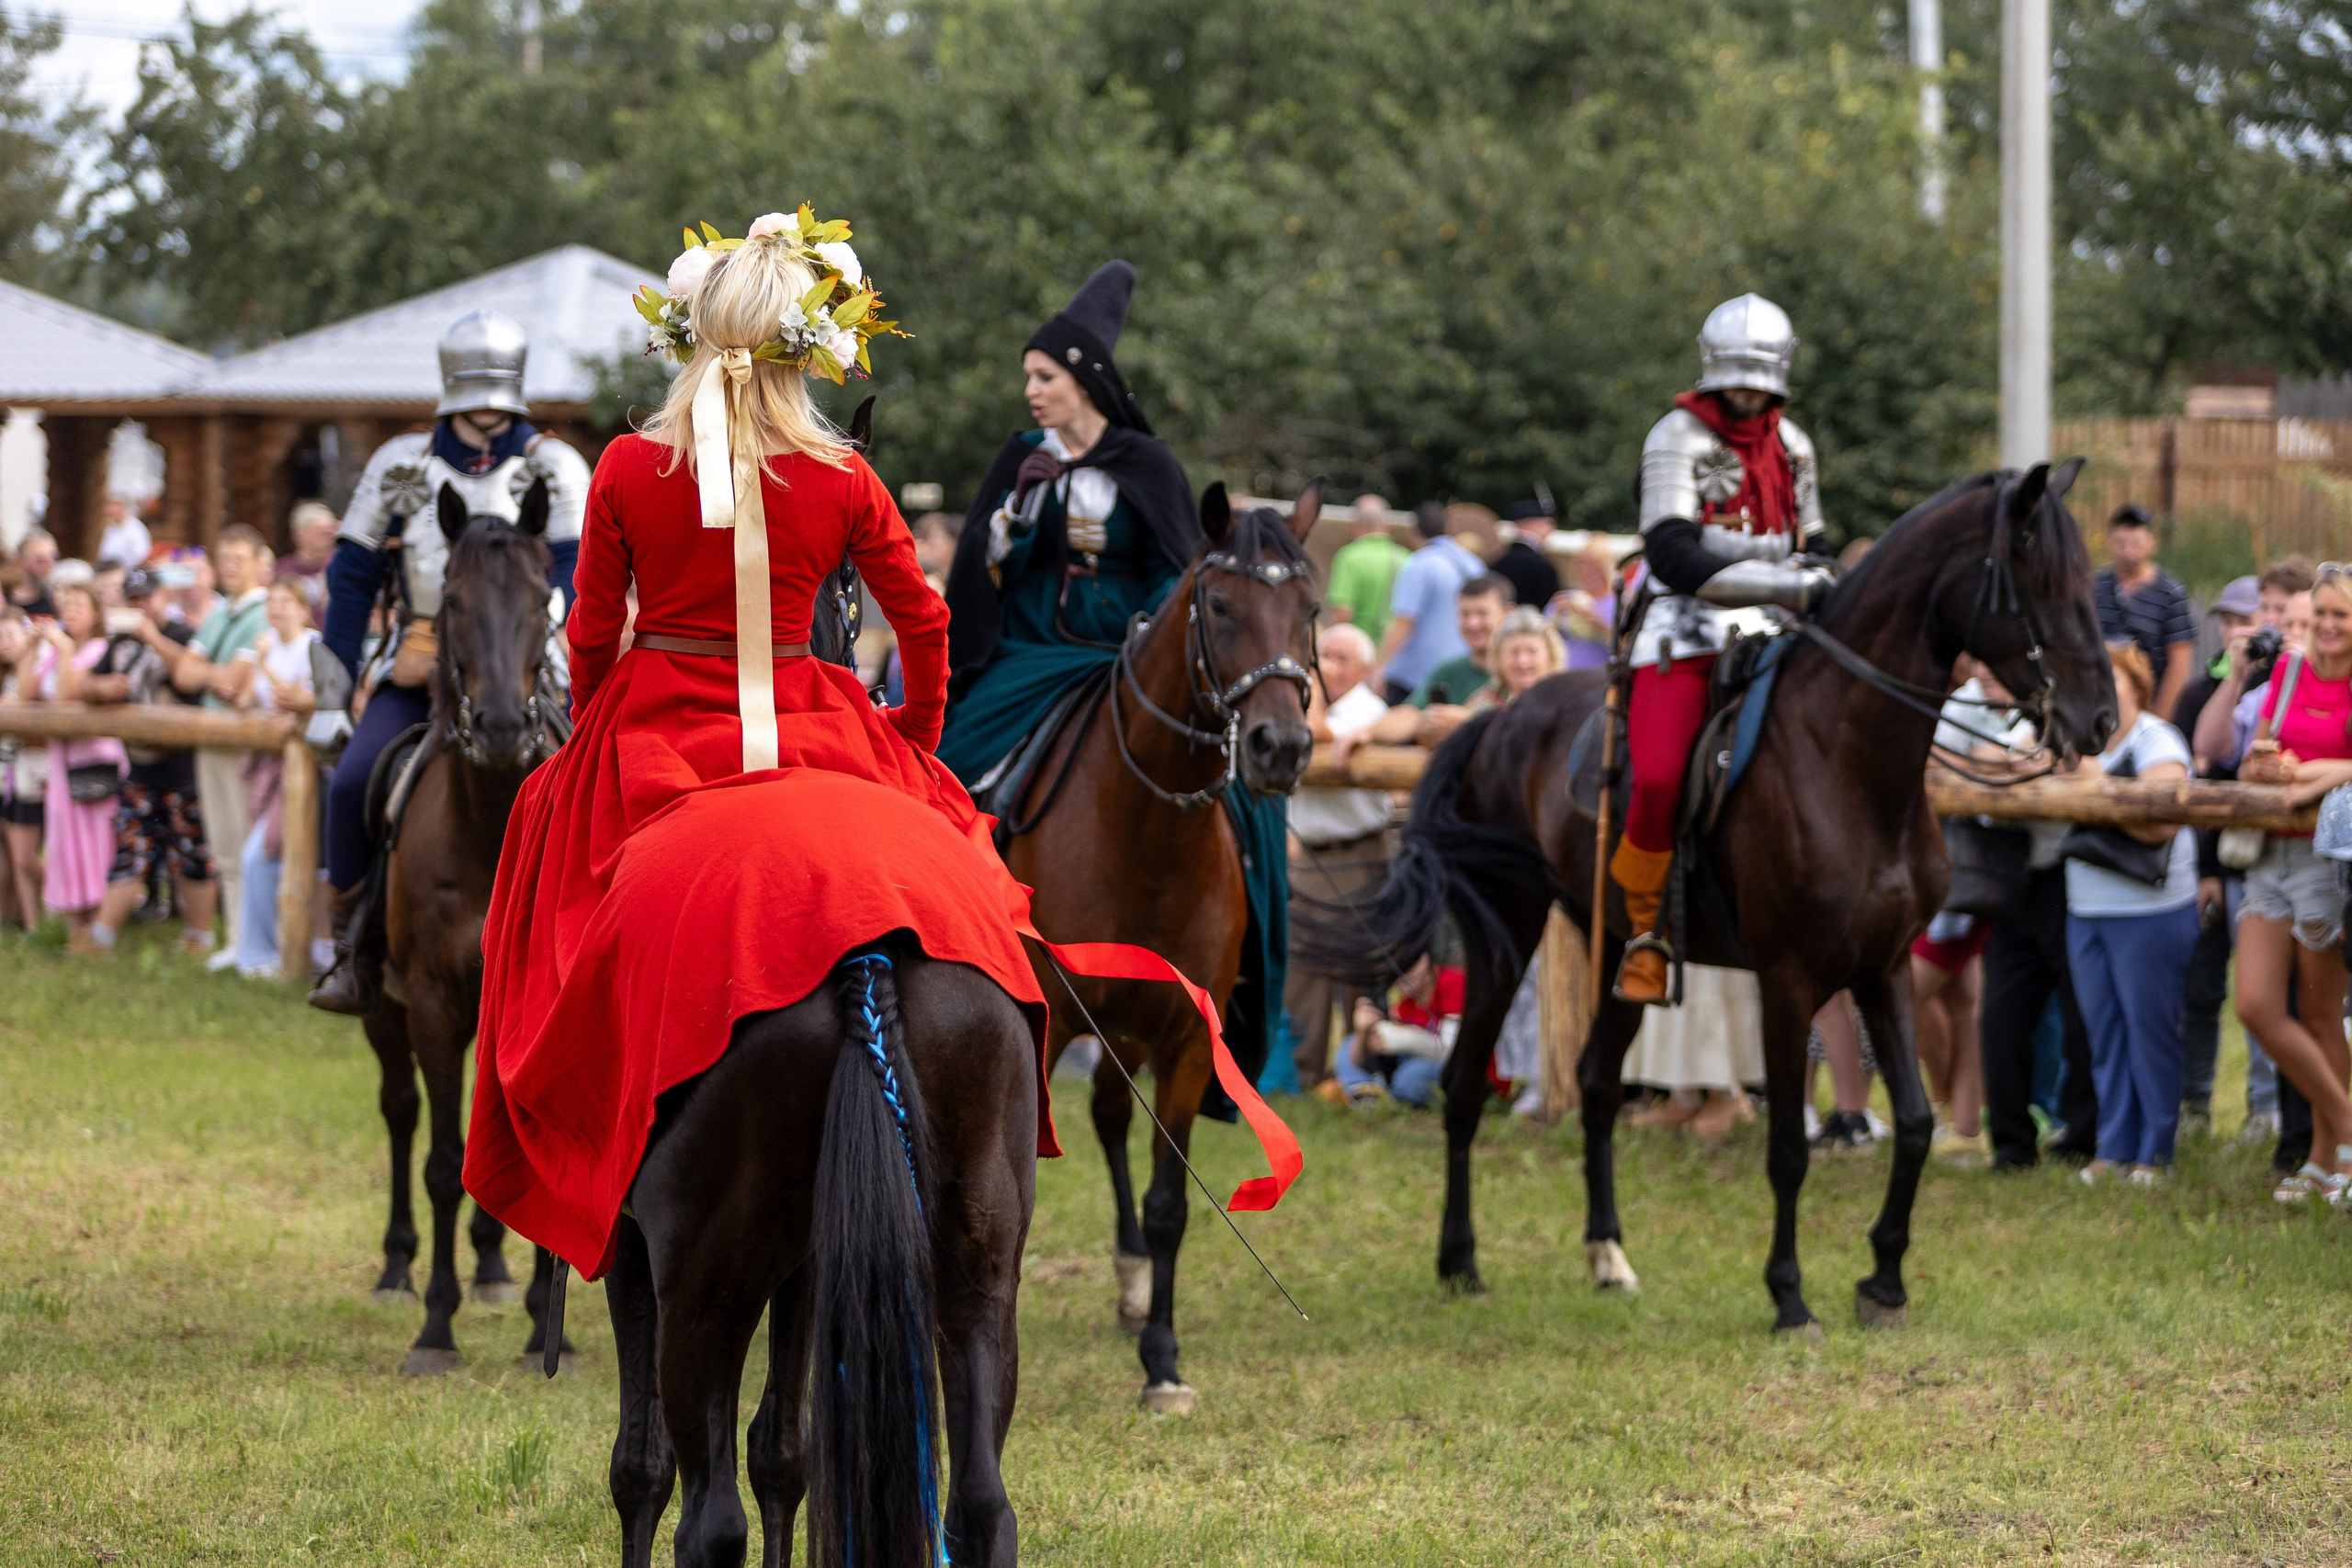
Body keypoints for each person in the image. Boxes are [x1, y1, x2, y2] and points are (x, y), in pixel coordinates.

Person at [467, 209, 1049, 1274]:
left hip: (657, 728)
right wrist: (912, 742)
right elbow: (922, 621)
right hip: (817, 723)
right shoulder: (842, 476)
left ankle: (576, 1112)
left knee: (549, 878)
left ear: (686, 335)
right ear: (800, 345)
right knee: (967, 878)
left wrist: (592, 731)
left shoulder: (628, 469)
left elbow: (593, 633)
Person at [308, 310, 591, 1013]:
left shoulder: (552, 466)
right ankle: (353, 950)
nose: (487, 410)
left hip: (530, 664)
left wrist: (530, 637)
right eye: (477, 398)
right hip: (423, 664)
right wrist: (331, 694)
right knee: (350, 785)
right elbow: (351, 578)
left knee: (602, 791)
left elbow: (577, 570)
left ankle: (610, 942)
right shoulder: (401, 465)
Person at [1609, 293, 1832, 1004]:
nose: (1748, 391)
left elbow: (1814, 540)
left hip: (1780, 635)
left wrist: (1818, 581)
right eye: (1738, 378)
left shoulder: (1793, 444)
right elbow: (1671, 551)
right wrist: (1786, 585)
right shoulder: (1677, 434)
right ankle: (1646, 932)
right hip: (1686, 630)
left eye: (1759, 379)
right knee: (1659, 779)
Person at [2236, 562, 2352, 1203]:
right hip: (2268, 857)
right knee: (2255, 1003)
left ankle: (2327, 1158)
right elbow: (2257, 756)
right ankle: (2345, 1131)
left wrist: (2314, 775)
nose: (2328, 626)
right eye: (2322, 613)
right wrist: (2268, 766)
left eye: (2341, 615)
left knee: (2318, 1013)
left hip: (2326, 859)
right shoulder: (2286, 672)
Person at [2064, 643, 2199, 1184]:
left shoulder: (2157, 738)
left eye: (2111, 676)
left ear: (2136, 688)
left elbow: (2160, 821)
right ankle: (2113, 1147)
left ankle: (2155, 1152)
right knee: (2105, 1036)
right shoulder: (2078, 741)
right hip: (2085, 908)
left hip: (2152, 910)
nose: (2099, 685)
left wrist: (2093, 789)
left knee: (2150, 1033)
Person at [81, 567, 216, 957]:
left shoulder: (184, 635)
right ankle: (100, 939)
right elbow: (86, 684)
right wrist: (101, 687)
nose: (140, 606)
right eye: (133, 598)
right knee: (129, 851)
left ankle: (199, 939)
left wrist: (152, 637)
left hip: (184, 770)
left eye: (146, 597)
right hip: (139, 771)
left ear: (163, 598)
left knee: (192, 855)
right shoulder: (118, 642)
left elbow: (190, 675)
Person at [1287, 622, 1392, 1095]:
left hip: (1359, 849)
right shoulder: (1305, 701)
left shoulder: (1370, 710)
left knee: (1357, 961)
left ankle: (1361, 1068)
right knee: (1303, 964)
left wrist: (1307, 683)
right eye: (1322, 655)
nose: (1328, 665)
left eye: (1341, 657)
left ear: (1367, 668)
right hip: (1310, 852)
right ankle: (1301, 1072)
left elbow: (1317, 737)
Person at [169, 525, 274, 970]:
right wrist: (218, 673)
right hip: (211, 734)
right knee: (224, 843)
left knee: (249, 842)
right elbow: (184, 675)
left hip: (245, 744)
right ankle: (235, 938)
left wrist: (209, 672)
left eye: (239, 559)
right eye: (224, 559)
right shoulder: (219, 612)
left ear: (258, 563)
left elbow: (233, 682)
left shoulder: (264, 612)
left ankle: (257, 944)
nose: (230, 567)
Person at [13, 581, 126, 953]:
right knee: (65, 844)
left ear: (95, 613)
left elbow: (64, 695)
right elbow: (27, 692)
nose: (71, 611)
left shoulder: (98, 648)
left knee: (93, 845)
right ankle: (76, 929)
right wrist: (30, 648)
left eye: (79, 604)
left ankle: (96, 931)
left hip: (94, 761)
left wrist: (62, 651)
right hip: (61, 762)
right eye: (66, 605)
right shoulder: (56, 650)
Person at [226, 580, 320, 976]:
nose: (277, 609)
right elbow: (246, 697)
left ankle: (263, 953)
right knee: (260, 854)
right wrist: (252, 666)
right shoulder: (266, 643)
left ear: (303, 608)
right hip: (268, 763)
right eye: (272, 602)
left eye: (285, 601)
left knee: (259, 854)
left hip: (303, 766)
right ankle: (255, 950)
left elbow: (295, 700)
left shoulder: (311, 646)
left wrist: (263, 665)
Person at [1363, 573, 1511, 747]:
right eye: (1465, 614)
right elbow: (1409, 714)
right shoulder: (1449, 671)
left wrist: (1469, 722)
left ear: (1507, 613)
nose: (1472, 623)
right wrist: (1365, 733)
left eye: (1482, 613)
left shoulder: (1521, 671)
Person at [1369, 502, 1484, 705]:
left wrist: (1378, 667)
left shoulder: (1419, 564)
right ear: (1449, 529)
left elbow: (1404, 622)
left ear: (1415, 531)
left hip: (1413, 680)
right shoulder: (1475, 564)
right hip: (1463, 673)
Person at [2093, 504, 2196, 725]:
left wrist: (2159, 719)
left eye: (2136, 544)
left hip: (2147, 703)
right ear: (2109, 543)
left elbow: (2179, 661)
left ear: (2151, 543)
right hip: (2098, 703)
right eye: (2121, 544)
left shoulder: (2170, 593)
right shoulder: (2094, 586)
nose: (2128, 551)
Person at [1335, 953, 1461, 1109]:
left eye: (1407, 965)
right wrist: (1363, 1033)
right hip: (1408, 1064)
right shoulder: (1405, 1004)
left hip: (1452, 1068)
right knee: (1349, 1043)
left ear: (1425, 958)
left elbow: (1454, 1052)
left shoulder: (1453, 982)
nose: (1399, 975)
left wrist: (1403, 1038)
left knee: (1411, 1076)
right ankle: (1364, 1091)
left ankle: (1377, 1092)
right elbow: (1365, 1058)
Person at [0, 605, 46, 930]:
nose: (4, 642)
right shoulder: (6, 676)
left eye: (10, 635)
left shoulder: (40, 669)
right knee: (13, 858)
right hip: (8, 775)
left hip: (33, 773)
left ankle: (56, 907)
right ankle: (31, 926)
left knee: (26, 857)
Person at [1325, 494, 1410, 644]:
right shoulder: (1406, 558)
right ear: (1386, 524)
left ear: (1353, 524)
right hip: (1395, 651)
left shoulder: (1349, 557)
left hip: (1359, 651)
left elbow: (1342, 610)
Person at [273, 500, 342, 627]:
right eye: (322, 533)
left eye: (331, 533)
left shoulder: (338, 567)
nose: (329, 538)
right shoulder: (283, 571)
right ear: (300, 535)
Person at [1555, 540, 1618, 670]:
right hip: (1564, 677)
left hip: (1600, 678)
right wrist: (1556, 617)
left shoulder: (1619, 603)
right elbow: (1543, 639)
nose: (1587, 571)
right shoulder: (1564, 599)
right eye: (1581, 564)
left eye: (1594, 565)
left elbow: (1626, 648)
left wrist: (1601, 627)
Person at [1491, 501, 1561, 612]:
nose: (1551, 530)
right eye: (1547, 524)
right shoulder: (1542, 566)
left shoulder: (1495, 563)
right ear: (1529, 523)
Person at [8, 528, 57, 617]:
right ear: (20, 561)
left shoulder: (57, 603)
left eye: (54, 558)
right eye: (41, 560)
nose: (49, 566)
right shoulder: (5, 603)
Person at [97, 495, 152, 574]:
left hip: (128, 573)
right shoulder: (110, 529)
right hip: (108, 571)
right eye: (109, 505)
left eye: (115, 505)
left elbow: (141, 557)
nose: (111, 510)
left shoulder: (136, 528)